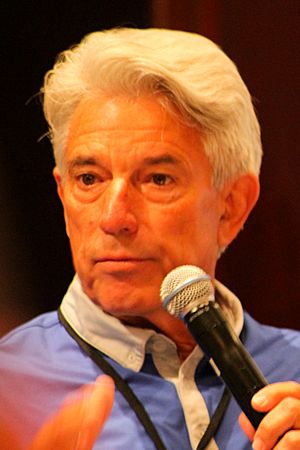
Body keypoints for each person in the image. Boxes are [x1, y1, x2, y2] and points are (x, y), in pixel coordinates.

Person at [0, 27, 299, 450]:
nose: (114, 217)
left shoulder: (295, 373)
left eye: (158, 179)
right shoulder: (9, 392)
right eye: (89, 179)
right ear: (62, 195)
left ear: (232, 206)